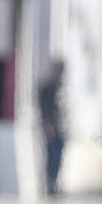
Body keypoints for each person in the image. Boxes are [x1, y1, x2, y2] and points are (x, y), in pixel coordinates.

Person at [39, 61, 65, 196]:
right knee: (52, 156)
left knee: (59, 156)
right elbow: (45, 108)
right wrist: (47, 125)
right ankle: (49, 183)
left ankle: (55, 182)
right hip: (52, 128)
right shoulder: (49, 87)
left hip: (60, 128)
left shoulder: (61, 86)